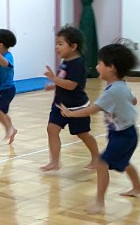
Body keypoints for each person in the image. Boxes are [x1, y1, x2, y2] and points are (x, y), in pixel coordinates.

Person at [57, 43, 140, 214]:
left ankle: (99, 202)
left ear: (111, 68)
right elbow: (133, 100)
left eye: (100, 63)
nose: (97, 66)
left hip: (123, 135)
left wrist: (70, 113)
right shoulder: (121, 85)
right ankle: (138, 188)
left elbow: (92, 109)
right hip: (125, 133)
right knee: (124, 162)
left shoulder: (112, 91)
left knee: (101, 162)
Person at [41, 26, 99, 172]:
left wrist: (54, 78)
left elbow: (72, 85)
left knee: (83, 134)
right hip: (60, 105)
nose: (56, 47)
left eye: (61, 44)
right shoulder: (66, 61)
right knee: (52, 129)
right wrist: (54, 85)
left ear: (73, 46)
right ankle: (54, 162)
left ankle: (97, 158)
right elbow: (64, 81)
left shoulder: (77, 63)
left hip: (77, 107)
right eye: (56, 43)